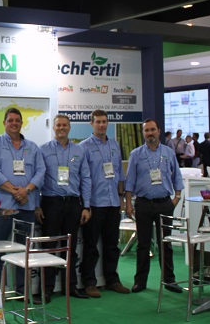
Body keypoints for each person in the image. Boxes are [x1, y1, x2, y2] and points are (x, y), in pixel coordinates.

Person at [0, 107, 45, 294]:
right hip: (2, 208)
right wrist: (15, 191)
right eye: (10, 120)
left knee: (23, 251)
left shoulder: (32, 147)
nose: (14, 123)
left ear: (21, 123)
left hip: (26, 207)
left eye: (17, 120)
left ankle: (21, 291)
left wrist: (26, 190)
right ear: (4, 123)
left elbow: (41, 171)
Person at [35, 114, 91, 301]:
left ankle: (71, 287)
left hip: (73, 204)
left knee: (70, 247)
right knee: (49, 247)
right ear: (53, 128)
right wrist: (36, 205)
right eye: (58, 125)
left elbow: (85, 178)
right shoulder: (43, 150)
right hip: (51, 203)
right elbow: (37, 179)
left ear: (69, 127)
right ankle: (47, 290)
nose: (61, 128)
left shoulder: (79, 150)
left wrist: (86, 206)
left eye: (65, 125)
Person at [125, 119, 183, 293]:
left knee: (166, 243)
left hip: (165, 203)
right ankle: (140, 281)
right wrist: (128, 204)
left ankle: (169, 280)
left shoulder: (168, 153)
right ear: (143, 133)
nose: (150, 133)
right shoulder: (136, 154)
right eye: (146, 130)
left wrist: (177, 197)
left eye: (152, 129)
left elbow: (177, 176)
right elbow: (130, 181)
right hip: (143, 204)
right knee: (143, 245)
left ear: (158, 131)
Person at [79, 109, 131, 297]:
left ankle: (112, 280)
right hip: (94, 203)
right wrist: (86, 205)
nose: (101, 125)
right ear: (91, 124)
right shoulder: (84, 147)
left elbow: (119, 175)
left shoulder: (115, 145)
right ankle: (89, 282)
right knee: (91, 246)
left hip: (113, 203)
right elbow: (83, 178)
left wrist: (121, 198)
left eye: (104, 121)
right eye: (98, 122)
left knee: (112, 245)